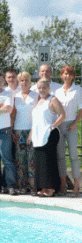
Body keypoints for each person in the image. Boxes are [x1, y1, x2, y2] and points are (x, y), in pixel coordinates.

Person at [29, 78, 65, 197]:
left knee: (49, 161)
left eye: (44, 87)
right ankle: (43, 187)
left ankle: (51, 188)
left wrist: (52, 127)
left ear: (48, 88)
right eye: (40, 88)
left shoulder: (53, 99)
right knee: (41, 162)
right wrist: (31, 134)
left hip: (49, 135)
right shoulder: (39, 100)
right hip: (38, 136)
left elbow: (62, 115)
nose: (42, 90)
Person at [54, 66, 82, 196]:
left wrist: (74, 124)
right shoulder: (57, 91)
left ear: (73, 76)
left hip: (71, 125)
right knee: (60, 156)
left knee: (73, 156)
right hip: (59, 126)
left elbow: (81, 109)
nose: (68, 76)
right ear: (61, 75)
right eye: (65, 74)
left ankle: (77, 186)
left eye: (70, 74)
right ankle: (63, 184)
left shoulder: (78, 89)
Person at [10, 72, 38, 194]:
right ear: (19, 82)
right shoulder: (15, 96)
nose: (24, 82)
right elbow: (13, 114)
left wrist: (33, 131)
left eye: (26, 80)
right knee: (20, 160)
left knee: (32, 159)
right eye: (21, 80)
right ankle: (22, 186)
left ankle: (33, 187)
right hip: (18, 131)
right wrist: (11, 130)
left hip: (32, 131)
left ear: (30, 81)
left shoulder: (36, 95)